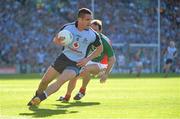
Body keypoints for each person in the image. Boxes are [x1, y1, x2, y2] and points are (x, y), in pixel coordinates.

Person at [27, 8, 103, 106]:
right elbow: (56, 39)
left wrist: (86, 59)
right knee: (44, 81)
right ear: (80, 19)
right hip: (63, 58)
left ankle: (40, 98)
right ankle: (36, 97)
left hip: (76, 64)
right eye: (87, 19)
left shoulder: (93, 35)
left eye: (91, 19)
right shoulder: (67, 28)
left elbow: (100, 49)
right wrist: (57, 41)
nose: (90, 22)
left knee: (61, 80)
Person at [58, 19, 116, 102]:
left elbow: (112, 59)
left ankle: (82, 90)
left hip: (100, 64)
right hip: (88, 61)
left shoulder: (104, 41)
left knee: (85, 68)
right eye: (91, 29)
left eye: (95, 30)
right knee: (74, 74)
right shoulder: (87, 37)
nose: (93, 32)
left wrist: (106, 74)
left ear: (100, 30)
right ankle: (67, 96)